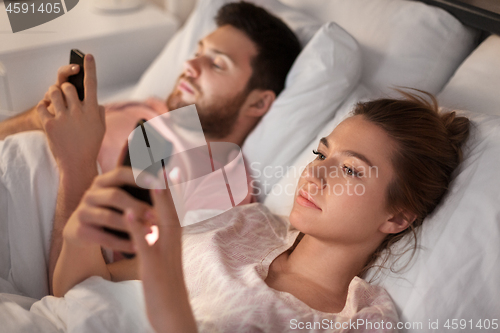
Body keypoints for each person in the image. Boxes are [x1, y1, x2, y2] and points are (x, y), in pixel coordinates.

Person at [51, 91, 470, 332]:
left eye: (348, 169)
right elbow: (83, 291)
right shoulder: (243, 223)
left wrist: (169, 302)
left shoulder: (360, 321)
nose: (315, 172)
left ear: (397, 218)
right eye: (320, 153)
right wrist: (78, 235)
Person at [0, 1, 301, 294]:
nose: (190, 65)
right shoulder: (147, 106)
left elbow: (86, 289)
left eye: (217, 64)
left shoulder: (221, 181)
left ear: (259, 102)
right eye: (198, 52)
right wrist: (44, 118)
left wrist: (77, 162)